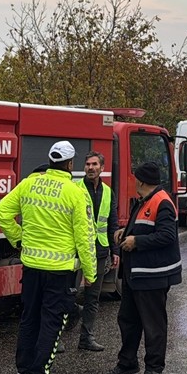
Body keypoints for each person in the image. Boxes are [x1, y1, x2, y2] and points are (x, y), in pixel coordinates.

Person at [0, 141, 97, 374]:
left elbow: (1, 212)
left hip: (31, 267)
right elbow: (84, 237)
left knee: (29, 319)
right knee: (52, 323)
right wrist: (91, 273)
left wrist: (18, 239)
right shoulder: (75, 192)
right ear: (71, 164)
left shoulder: (29, 183)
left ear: (51, 160)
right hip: (60, 271)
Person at [105, 161, 182, 374]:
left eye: (135, 177)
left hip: (153, 274)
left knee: (153, 323)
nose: (133, 180)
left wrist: (136, 241)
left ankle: (154, 367)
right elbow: (143, 226)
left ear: (141, 180)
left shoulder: (162, 202)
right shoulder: (145, 200)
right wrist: (125, 232)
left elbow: (167, 236)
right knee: (128, 320)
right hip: (135, 274)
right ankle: (127, 363)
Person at [75, 151, 118, 352]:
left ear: (102, 168)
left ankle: (86, 337)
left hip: (100, 250)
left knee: (93, 297)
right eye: (87, 164)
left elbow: (112, 223)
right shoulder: (74, 189)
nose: (90, 168)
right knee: (68, 295)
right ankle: (57, 337)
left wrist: (114, 250)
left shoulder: (108, 192)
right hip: (75, 251)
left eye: (94, 164)